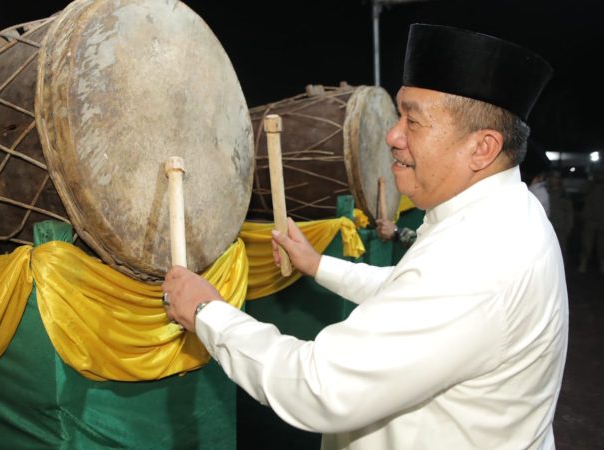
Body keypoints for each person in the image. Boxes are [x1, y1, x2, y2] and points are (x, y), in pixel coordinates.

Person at [163, 24, 567, 449]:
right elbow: (406, 291)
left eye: (413, 120)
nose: (392, 136)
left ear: (481, 148)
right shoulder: (499, 213)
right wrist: (319, 264)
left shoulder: (477, 258)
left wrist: (207, 312)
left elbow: (318, 387)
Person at [578, 169, 604, 275]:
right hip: (589, 220)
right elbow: (582, 192)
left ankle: (603, 265)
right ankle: (583, 264)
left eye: (602, 175)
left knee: (603, 245)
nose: (600, 177)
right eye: (598, 175)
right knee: (586, 243)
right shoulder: (589, 185)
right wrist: (591, 183)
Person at [547, 171, 574, 264]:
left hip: (560, 226)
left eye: (557, 178)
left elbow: (569, 212)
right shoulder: (545, 192)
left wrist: (569, 226)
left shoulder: (563, 194)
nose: (555, 180)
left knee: (561, 250)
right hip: (547, 226)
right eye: (553, 178)